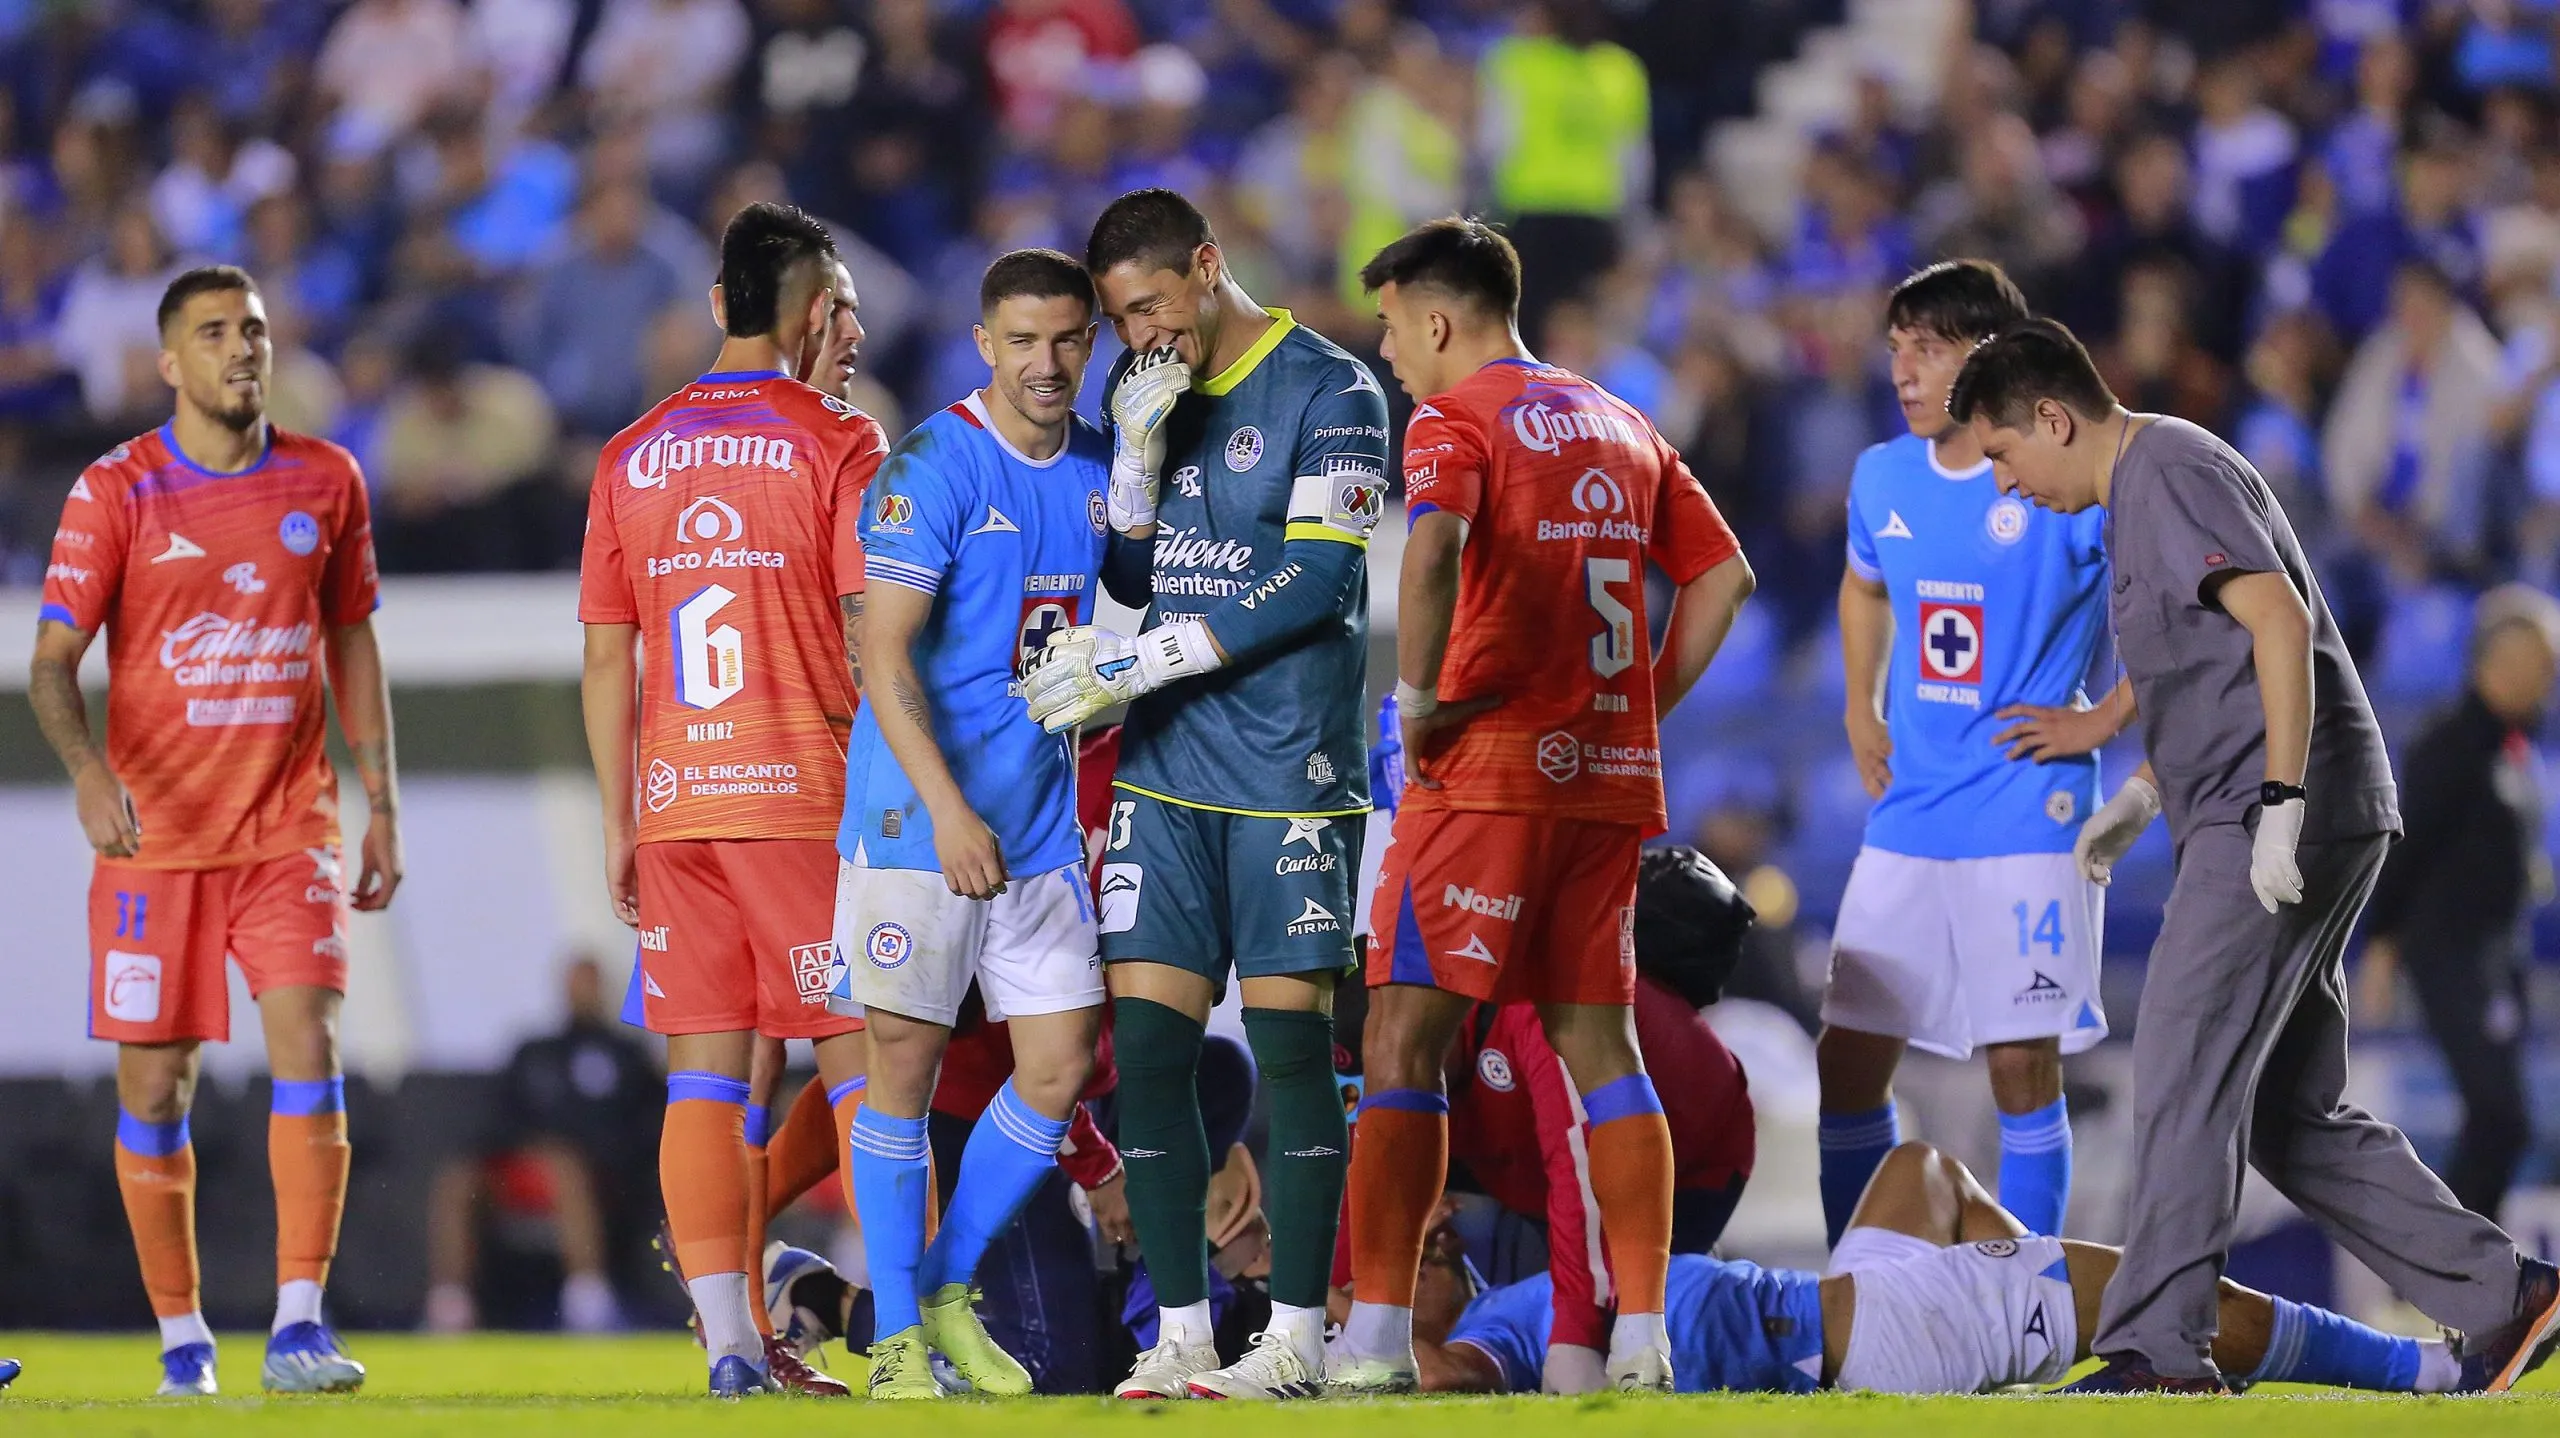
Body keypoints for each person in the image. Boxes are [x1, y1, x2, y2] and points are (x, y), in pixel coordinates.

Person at [1948, 317, 2560, 1394]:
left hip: (2279, 809)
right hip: (2265, 802)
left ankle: (2156, 1350)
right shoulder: (2141, 492)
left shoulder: (2168, 468)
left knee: (2180, 1063)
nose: (2006, 482)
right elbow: (2207, 660)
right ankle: (2507, 1296)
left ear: (2052, 416)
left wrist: (2278, 801)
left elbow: (2277, 622)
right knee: (2285, 1115)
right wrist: (2141, 785)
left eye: (2002, 452)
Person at [1328, 216, 1753, 1396]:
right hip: (1606, 783)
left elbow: (1432, 547)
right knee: (1597, 1044)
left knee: (1401, 1032)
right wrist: (1642, 707)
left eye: (1389, 325)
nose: (1389, 351)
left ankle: (1367, 1339)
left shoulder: (1453, 420)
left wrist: (1414, 696)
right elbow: (1722, 577)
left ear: (1436, 315)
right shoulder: (1620, 420)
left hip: (1487, 773)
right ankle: (1642, 1333)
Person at [1022, 186, 1391, 1401]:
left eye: (1150, 308)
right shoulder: (1157, 395)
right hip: (1166, 772)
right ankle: (1180, 1333)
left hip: (1290, 765)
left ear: (1206, 265)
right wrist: (1130, 466)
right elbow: (1135, 570)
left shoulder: (1331, 391)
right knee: (1151, 1052)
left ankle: (1291, 1335)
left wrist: (1148, 658)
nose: (1142, 339)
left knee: (1290, 1050)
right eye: (1122, 322)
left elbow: (1315, 585)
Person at [29, 265, 399, 1397]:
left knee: (310, 1044)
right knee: (156, 1093)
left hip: (288, 830)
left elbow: (351, 641)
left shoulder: (327, 478)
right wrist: (88, 773)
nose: (242, 348)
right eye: (214, 332)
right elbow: (50, 663)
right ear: (169, 363)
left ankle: (297, 1322)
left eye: (254, 330)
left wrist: (381, 798)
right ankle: (184, 1339)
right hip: (155, 847)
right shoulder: (117, 490)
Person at [578, 201, 883, 1398]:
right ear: (814, 315)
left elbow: (610, 654)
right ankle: (907, 1332)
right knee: (867, 1067)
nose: (852, 332)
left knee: (707, 1077)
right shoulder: (838, 441)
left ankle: (732, 1350)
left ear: (718, 305)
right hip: (804, 795)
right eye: (846, 307)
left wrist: (621, 819)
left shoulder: (629, 451)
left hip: (675, 804)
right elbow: (872, 633)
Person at [826, 247, 1118, 1400]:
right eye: (1024, 342)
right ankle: (895, 1337)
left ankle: (941, 1286)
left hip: (1039, 823)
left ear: (1087, 345)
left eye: (1067, 341)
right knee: (901, 1066)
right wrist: (946, 810)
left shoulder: (1102, 466)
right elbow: (881, 651)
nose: (1046, 364)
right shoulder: (932, 466)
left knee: (1057, 1065)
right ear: (985, 344)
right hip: (915, 824)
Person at [1820, 259, 2125, 1247]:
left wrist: (2098, 718)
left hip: (2022, 810)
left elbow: (2175, 611)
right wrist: (1861, 707)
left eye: (1929, 350)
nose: (1904, 373)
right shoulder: (1880, 475)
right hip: (1909, 810)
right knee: (1848, 1060)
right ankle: (1856, 1285)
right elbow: (1863, 587)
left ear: (1988, 358)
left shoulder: (2057, 477)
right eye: (1895, 351)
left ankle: (2028, 1302)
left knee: (2018, 1067)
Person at [1414, 1142, 2473, 1396]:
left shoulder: (1510, 1295)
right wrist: (1391, 1344)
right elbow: (1445, 1381)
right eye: (1406, 1259)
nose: (1431, 1245)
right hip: (1865, 1335)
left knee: (1921, 1167)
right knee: (2182, 1292)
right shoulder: (1497, 1335)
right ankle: (2427, 1368)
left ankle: (2042, 1336)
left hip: (1847, 1302)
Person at [2360, 584, 2560, 1222]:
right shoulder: (2451, 746)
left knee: (2502, 1121)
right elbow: (2407, 847)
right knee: (2500, 1115)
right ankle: (2456, 1273)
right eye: (2540, 666)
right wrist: (2381, 946)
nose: (2548, 682)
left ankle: (2475, 1277)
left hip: (2496, 954)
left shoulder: (2510, 748)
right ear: (2498, 665)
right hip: (2451, 951)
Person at [424, 954, 661, 1334]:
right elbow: (501, 1114)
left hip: (597, 1173)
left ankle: (588, 1300)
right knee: (459, 1179)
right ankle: (450, 1303)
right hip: (525, 1165)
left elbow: (648, 1120)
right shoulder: (535, 1051)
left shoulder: (627, 1054)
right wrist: (528, 1146)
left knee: (566, 1169)